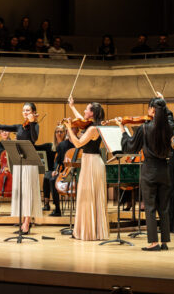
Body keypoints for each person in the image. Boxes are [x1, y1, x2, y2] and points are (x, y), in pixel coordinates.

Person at [121, 93, 174, 250]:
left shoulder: (144, 128)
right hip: (164, 169)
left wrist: (122, 130)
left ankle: (153, 242)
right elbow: (168, 117)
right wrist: (164, 102)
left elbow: (130, 147)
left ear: (152, 110)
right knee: (164, 207)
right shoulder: (170, 127)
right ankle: (164, 241)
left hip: (149, 170)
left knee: (150, 207)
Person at [0, 103, 41, 234]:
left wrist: (33, 123)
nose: (25, 112)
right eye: (24, 110)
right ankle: (23, 222)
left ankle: (27, 222)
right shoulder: (19, 127)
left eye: (28, 110)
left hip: (29, 163)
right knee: (21, 192)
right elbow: (0, 126)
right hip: (19, 163)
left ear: (33, 112)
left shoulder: (35, 126)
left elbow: (34, 139)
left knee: (28, 192)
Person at [63, 98, 109, 241]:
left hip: (93, 163)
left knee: (89, 198)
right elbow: (81, 119)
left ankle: (90, 232)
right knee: (86, 198)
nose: (84, 111)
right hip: (89, 161)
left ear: (93, 113)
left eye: (87, 109)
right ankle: (87, 230)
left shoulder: (93, 129)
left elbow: (77, 144)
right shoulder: (91, 125)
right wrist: (72, 107)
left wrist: (69, 128)